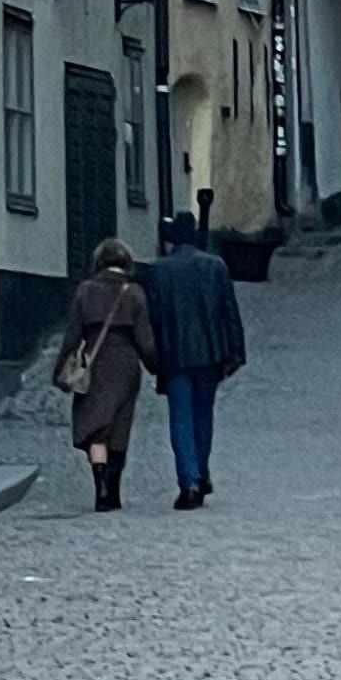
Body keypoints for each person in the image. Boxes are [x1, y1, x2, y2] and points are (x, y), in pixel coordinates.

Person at [143, 211, 246, 511]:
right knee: (203, 415)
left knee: (181, 419)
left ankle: (189, 480)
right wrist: (235, 352)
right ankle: (200, 473)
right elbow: (229, 312)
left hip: (174, 355)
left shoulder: (158, 271)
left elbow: (153, 318)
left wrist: (152, 355)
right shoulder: (214, 266)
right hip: (210, 354)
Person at [56, 240, 156, 512]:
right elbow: (145, 341)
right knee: (119, 427)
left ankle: (99, 487)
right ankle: (113, 490)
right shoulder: (134, 294)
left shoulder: (85, 291)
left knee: (97, 428)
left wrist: (61, 370)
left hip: (94, 363)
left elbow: (72, 336)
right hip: (125, 366)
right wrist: (157, 367)